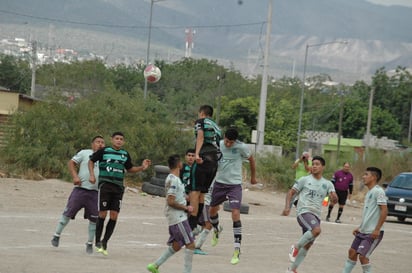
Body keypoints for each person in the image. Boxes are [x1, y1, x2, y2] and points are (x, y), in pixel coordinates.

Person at [88, 131, 151, 255]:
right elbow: (91, 161)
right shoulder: (104, 151)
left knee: (114, 215)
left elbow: (130, 168)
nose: (119, 141)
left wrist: (142, 167)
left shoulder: (124, 154)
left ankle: (105, 241)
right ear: (112, 140)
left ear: (124, 141)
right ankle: (97, 241)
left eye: (121, 139)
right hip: (105, 185)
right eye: (116, 138)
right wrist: (92, 175)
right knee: (102, 213)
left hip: (118, 188)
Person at [208, 128, 257, 265]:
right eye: (227, 141)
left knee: (235, 213)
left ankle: (237, 249)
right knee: (211, 211)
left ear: (235, 141)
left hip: (234, 185)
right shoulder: (219, 144)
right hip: (220, 183)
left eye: (231, 142)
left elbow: (251, 160)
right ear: (224, 138)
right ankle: (217, 229)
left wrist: (253, 177)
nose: (229, 144)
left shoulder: (241, 147)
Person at [281, 155, 338, 273]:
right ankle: (295, 247)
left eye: (317, 164)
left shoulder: (327, 184)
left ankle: (292, 270)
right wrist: (287, 207)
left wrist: (334, 198)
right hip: (304, 212)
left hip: (316, 215)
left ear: (323, 167)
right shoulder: (304, 180)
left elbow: (334, 199)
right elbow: (290, 193)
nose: (314, 166)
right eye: (313, 164)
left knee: (308, 244)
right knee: (317, 230)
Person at [51, 135, 105, 253]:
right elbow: (71, 163)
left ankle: (89, 243)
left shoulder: (106, 158)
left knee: (94, 219)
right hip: (80, 189)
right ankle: (56, 235)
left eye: (102, 142)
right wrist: (75, 176)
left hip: (95, 193)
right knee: (68, 213)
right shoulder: (85, 153)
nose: (100, 144)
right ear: (92, 144)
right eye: (97, 142)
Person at [147, 154, 195, 273]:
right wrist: (186, 207)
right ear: (179, 164)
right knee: (190, 244)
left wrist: (187, 198)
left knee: (177, 245)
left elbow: (176, 197)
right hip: (177, 217)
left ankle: (155, 265)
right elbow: (170, 201)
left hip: (178, 217)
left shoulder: (175, 179)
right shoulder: (173, 180)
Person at [341, 167, 387, 273]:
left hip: (373, 233)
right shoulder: (370, 192)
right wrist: (360, 227)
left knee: (363, 256)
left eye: (366, 174)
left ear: (374, 177)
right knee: (352, 252)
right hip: (363, 231)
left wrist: (377, 229)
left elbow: (384, 211)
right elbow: (370, 214)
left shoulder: (378, 191)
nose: (363, 177)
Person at [189, 105, 222, 232]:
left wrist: (197, 154)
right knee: (203, 192)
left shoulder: (201, 122)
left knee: (194, 191)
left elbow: (200, 137)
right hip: (214, 162)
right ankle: (197, 222)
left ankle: (192, 223)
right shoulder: (216, 126)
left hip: (203, 158)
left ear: (201, 113)